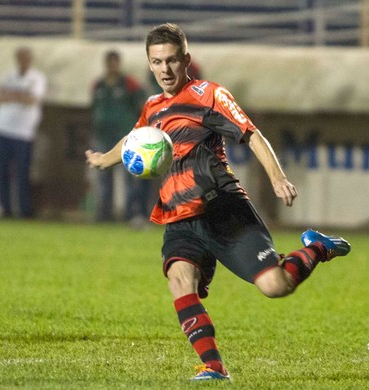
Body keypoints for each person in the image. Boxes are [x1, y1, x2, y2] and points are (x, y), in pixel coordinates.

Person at [85, 23, 351, 381]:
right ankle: (213, 366)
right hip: (179, 216)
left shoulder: (208, 95)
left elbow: (252, 135)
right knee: (180, 280)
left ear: (186, 59)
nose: (165, 70)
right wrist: (104, 158)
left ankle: (317, 248)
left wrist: (277, 178)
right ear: (149, 65)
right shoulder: (152, 106)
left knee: (275, 286)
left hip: (223, 208)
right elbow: (134, 138)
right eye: (157, 62)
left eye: (172, 61)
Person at [90, 50, 149, 224]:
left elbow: (141, 102)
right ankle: (104, 215)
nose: (112, 66)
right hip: (103, 137)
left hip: (124, 138)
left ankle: (129, 213)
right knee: (103, 177)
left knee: (128, 177)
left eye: (115, 62)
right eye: (109, 63)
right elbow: (94, 108)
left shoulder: (128, 83)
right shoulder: (98, 85)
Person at [0, 46, 47, 218]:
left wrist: (12, 95)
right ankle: (5, 209)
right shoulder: (8, 75)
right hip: (2, 128)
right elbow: (0, 96)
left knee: (22, 173)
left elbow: (33, 99)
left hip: (23, 132)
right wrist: (20, 96)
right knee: (2, 172)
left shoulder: (37, 78)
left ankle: (24, 209)